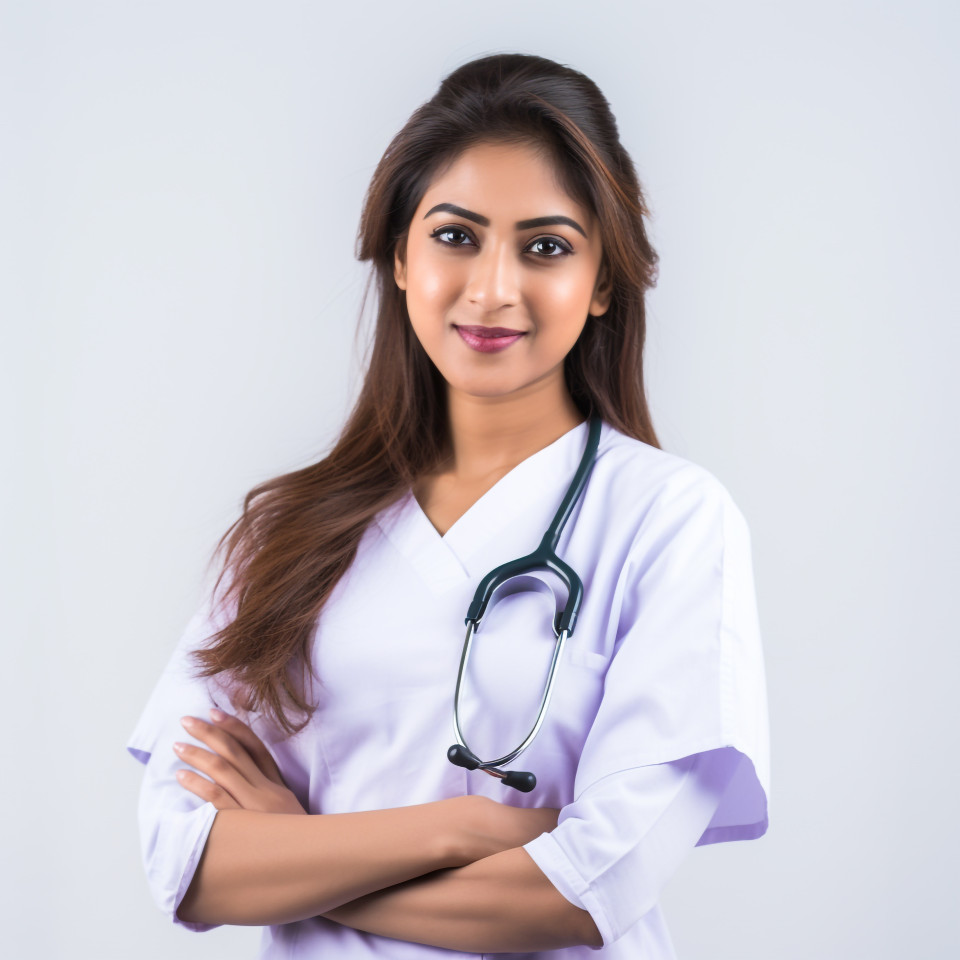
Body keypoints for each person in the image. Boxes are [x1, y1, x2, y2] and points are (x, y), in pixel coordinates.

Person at [126, 52, 770, 959]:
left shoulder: (669, 521)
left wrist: (299, 846)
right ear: (399, 255)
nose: (492, 288)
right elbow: (186, 866)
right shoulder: (286, 533)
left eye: (546, 246)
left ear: (603, 286)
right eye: (456, 236)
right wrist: (459, 831)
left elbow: (592, 891)